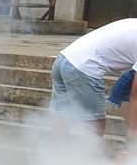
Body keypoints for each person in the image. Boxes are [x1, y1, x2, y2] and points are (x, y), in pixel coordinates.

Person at [50, 16, 137, 151]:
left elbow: (123, 85)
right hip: (83, 68)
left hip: (63, 59)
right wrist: (133, 128)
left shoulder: (132, 23)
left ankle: (55, 163)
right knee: (94, 125)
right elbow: (135, 93)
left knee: (62, 119)